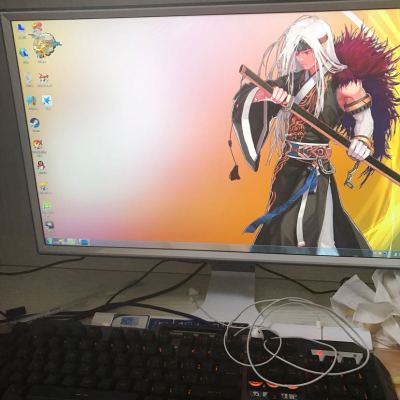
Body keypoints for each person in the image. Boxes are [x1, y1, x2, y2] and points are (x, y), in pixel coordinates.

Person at [232, 15, 399, 255]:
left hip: (314, 169)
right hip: (287, 167)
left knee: (310, 227)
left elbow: (365, 119)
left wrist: (362, 140)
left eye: (306, 50)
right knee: (278, 226)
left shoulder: (344, 83)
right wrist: (270, 94)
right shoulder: (294, 80)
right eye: (297, 51)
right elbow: (255, 93)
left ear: (322, 45)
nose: (300, 57)